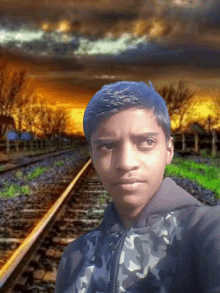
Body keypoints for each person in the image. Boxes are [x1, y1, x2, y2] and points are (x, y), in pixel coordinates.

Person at [55, 81, 220, 293]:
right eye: (107, 146)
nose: (125, 162)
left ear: (169, 150)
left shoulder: (205, 229)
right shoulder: (74, 257)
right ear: (93, 157)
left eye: (146, 142)